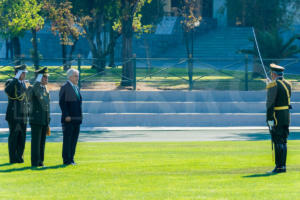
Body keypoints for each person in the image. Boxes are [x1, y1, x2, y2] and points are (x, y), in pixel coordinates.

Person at [266, 63, 292, 173]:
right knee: (283, 141)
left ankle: (279, 166)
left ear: (273, 74)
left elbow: (270, 104)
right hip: (286, 115)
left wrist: (269, 119)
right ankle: (283, 166)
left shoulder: (273, 85)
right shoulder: (288, 84)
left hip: (277, 116)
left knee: (277, 140)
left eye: (271, 74)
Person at [5, 64, 28, 164]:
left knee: (22, 137)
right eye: (23, 73)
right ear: (18, 73)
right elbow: (7, 90)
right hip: (13, 115)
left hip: (22, 115)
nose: (25, 75)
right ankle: (13, 158)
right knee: (14, 137)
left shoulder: (23, 84)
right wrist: (15, 78)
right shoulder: (11, 82)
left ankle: (19, 157)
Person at [59, 68, 82, 165]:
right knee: (68, 140)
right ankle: (66, 160)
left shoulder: (76, 87)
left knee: (74, 140)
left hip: (76, 119)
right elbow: (62, 103)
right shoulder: (65, 87)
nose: (78, 78)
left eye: (78, 76)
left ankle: (71, 158)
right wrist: (66, 115)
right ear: (70, 77)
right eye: (76, 76)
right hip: (69, 119)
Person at [29, 67, 50, 167]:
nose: (47, 79)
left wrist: (48, 119)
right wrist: (37, 82)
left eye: (47, 77)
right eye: (45, 77)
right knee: (36, 142)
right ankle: (35, 161)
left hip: (44, 119)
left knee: (42, 142)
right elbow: (37, 96)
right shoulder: (35, 87)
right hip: (36, 119)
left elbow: (47, 105)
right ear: (40, 78)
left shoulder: (45, 88)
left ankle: (40, 161)